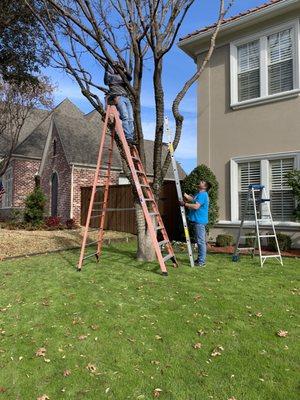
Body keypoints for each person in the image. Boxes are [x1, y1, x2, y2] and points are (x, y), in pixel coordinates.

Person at [104, 62, 135, 145]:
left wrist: (123, 69)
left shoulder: (122, 77)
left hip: (126, 98)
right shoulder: (110, 77)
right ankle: (128, 137)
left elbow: (129, 77)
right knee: (125, 116)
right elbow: (107, 80)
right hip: (119, 97)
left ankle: (131, 137)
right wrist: (107, 68)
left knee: (131, 118)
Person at [180, 180, 210, 267]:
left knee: (201, 242)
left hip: (199, 221)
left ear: (204, 187)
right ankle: (200, 259)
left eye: (202, 182)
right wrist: (185, 195)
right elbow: (193, 199)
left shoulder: (203, 194)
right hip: (198, 221)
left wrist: (185, 204)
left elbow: (196, 206)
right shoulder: (199, 194)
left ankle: (201, 262)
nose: (200, 182)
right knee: (199, 241)